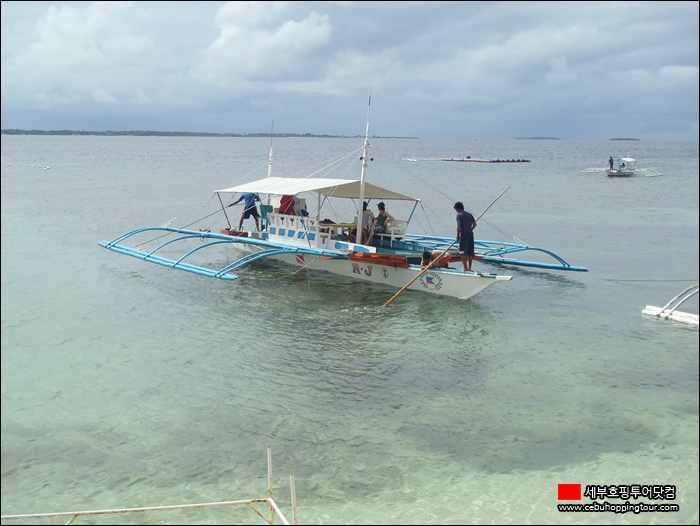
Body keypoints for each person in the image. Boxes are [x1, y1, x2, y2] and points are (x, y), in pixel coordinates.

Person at [454, 201, 477, 271]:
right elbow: (475, 224)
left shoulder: (459, 215)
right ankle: (470, 268)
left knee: (462, 252)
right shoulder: (470, 214)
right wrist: (470, 230)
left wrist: (458, 236)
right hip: (470, 234)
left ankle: (465, 268)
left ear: (458, 209)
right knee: (470, 253)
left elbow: (459, 227)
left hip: (463, 235)